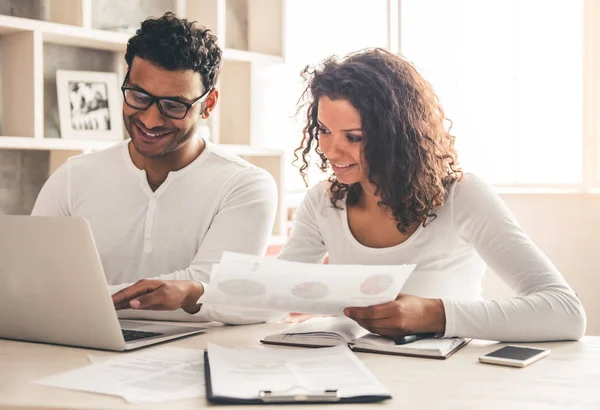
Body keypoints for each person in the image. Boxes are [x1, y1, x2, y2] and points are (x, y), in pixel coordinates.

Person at [278, 48, 586, 341]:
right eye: (323, 130)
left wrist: (435, 315)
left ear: (395, 135)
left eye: (354, 137)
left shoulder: (462, 197)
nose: (330, 150)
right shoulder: (323, 201)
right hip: (350, 377)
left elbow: (565, 311)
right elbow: (273, 291)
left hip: (446, 381)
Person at [31, 12, 280, 324]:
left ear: (210, 103)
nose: (150, 120)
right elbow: (34, 279)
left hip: (194, 358)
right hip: (83, 344)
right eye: (139, 96)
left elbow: (214, 289)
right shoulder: (73, 176)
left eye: (174, 105)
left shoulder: (245, 185)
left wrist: (78, 297)